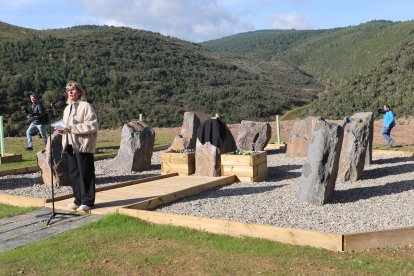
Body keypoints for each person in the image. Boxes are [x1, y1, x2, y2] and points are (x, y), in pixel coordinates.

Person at [56, 81, 99, 212]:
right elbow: (67, 127)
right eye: (68, 90)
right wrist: (62, 130)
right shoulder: (67, 108)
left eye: (73, 90)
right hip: (69, 144)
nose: (70, 92)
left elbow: (93, 125)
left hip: (82, 145)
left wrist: (72, 128)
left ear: (79, 92)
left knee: (85, 173)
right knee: (74, 173)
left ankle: (88, 201)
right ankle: (78, 199)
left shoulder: (86, 106)